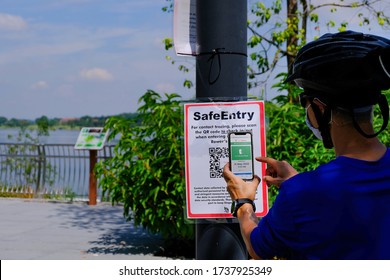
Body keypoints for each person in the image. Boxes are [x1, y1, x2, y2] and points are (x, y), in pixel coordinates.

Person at [223, 30, 390, 260]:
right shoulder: (303, 191)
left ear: (320, 108)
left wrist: (243, 202)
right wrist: (298, 183)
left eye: (305, 101)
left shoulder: (301, 195)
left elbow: (258, 249)